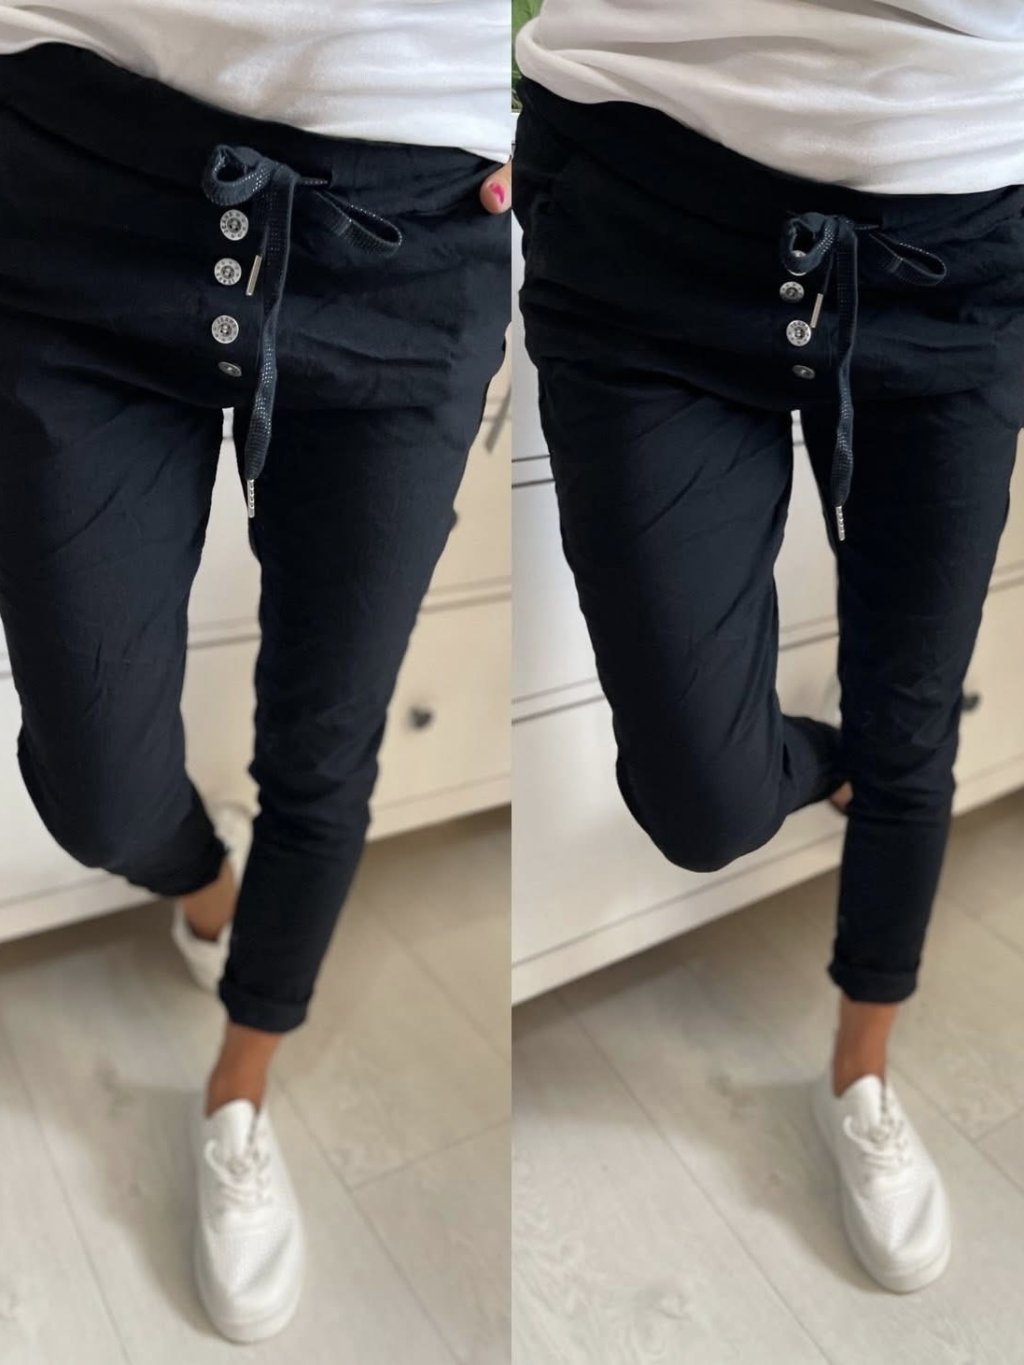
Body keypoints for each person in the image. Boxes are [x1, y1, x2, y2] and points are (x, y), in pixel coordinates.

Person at [0, 2, 511, 1342]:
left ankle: (239, 1094)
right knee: (100, 795)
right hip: (78, 179)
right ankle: (210, 890)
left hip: (413, 233)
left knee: (325, 741)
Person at [513, 0, 1024, 1294]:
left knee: (914, 715)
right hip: (643, 200)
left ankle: (862, 1073)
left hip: (968, 223)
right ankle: (830, 764)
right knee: (703, 801)